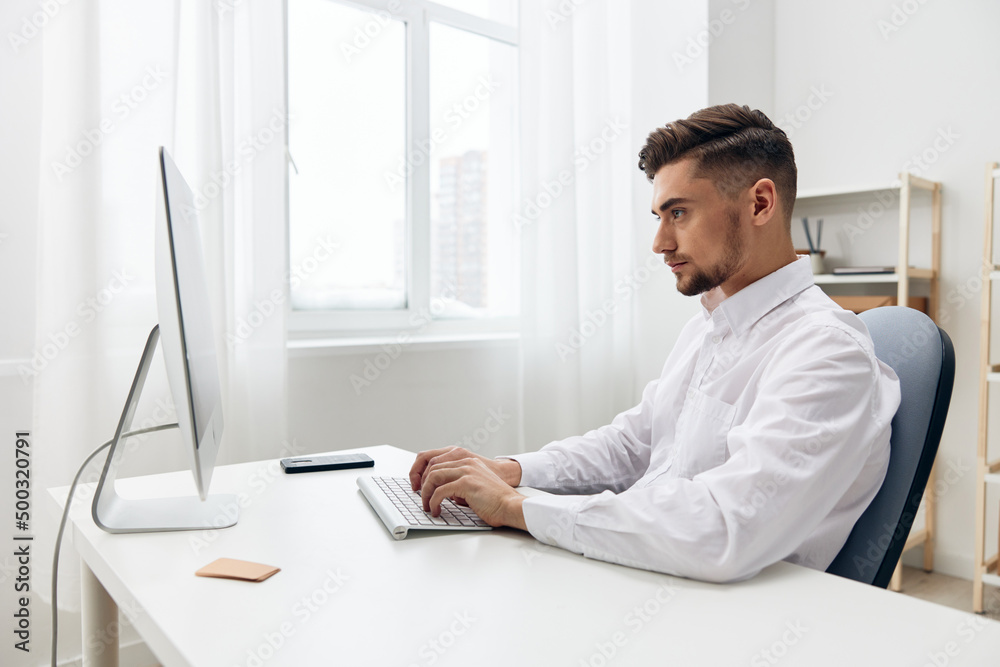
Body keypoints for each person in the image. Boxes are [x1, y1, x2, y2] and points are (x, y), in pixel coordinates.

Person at [408, 103, 901, 583]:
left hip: (732, 615)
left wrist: (520, 507)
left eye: (679, 213)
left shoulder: (826, 350)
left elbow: (726, 528)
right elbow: (635, 445)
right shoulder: (709, 327)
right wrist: (510, 470)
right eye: (658, 216)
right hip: (652, 570)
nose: (660, 242)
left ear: (760, 203)